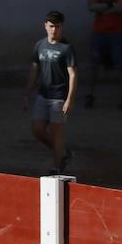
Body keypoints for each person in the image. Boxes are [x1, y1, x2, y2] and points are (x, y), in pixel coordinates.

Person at [23, 10, 77, 174]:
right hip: (43, 94)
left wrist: (69, 99)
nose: (54, 30)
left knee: (56, 129)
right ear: (45, 26)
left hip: (59, 97)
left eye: (58, 27)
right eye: (51, 26)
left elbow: (73, 74)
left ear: (62, 27)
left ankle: (57, 165)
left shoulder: (67, 48)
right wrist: (27, 93)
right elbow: (34, 70)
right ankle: (62, 152)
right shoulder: (39, 45)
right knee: (37, 130)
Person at [85, 0, 122, 109]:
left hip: (118, 32)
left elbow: (121, 7)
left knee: (121, 65)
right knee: (94, 66)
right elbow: (91, 6)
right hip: (99, 32)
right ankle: (90, 95)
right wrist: (111, 5)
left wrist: (102, 9)